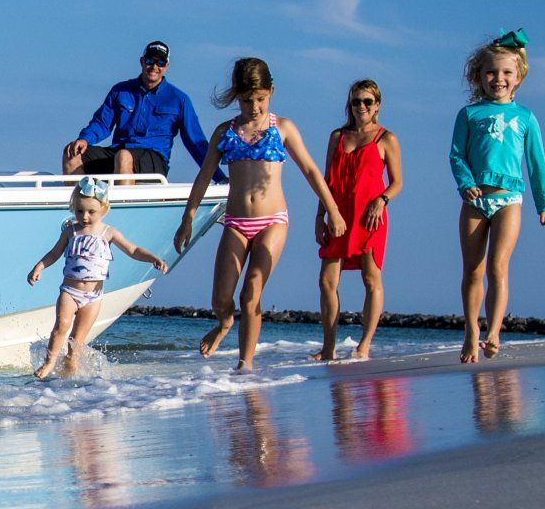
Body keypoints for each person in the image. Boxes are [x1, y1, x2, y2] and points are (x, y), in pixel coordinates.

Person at [175, 57, 344, 372]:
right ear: (237, 97)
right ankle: (224, 323)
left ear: (271, 92)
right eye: (247, 100)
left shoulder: (283, 128)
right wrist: (189, 217)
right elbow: (203, 176)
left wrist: (332, 210)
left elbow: (310, 170)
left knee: (251, 290)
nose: (254, 106)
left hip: (272, 222)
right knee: (221, 300)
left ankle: (245, 365)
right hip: (236, 223)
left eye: (261, 99)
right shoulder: (225, 132)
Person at [451, 30, 545, 363]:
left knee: (498, 267)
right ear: (479, 76)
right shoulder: (469, 115)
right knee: (473, 271)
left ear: (518, 77)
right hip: (474, 200)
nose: (499, 78)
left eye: (506, 72)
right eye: (491, 72)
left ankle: (494, 331)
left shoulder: (525, 117)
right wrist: (466, 183)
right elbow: (456, 155)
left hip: (510, 198)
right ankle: (471, 330)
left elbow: (537, 163)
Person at [28, 176, 168, 379]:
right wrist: (39, 267)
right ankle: (49, 362)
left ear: (104, 209)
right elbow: (54, 253)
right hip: (69, 291)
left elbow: (133, 249)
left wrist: (152, 258)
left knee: (76, 341)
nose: (84, 216)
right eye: (79, 211)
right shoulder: (70, 231)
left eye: (91, 212)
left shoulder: (108, 233)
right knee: (61, 326)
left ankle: (69, 376)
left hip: (93, 297)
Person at [313, 80, 403, 361]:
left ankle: (364, 344)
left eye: (367, 101)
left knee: (370, 278)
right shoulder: (337, 136)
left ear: (377, 105)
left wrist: (382, 199)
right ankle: (329, 346)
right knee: (327, 281)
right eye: (356, 101)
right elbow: (325, 181)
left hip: (370, 218)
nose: (361, 106)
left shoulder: (386, 138)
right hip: (337, 215)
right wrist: (320, 216)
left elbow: (398, 182)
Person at [63, 41, 216, 180]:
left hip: (154, 158)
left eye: (160, 62)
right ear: (142, 61)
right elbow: (102, 123)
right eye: (150, 60)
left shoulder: (178, 99)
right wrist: (85, 138)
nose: (154, 67)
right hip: (119, 152)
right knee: (71, 152)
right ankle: (82, 206)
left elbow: (195, 142)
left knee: (124, 157)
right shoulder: (120, 90)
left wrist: (218, 177)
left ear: (166, 66)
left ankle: (123, 210)